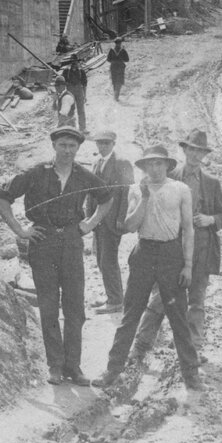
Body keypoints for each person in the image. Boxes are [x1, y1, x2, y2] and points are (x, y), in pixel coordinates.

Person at [0, 126, 116, 386]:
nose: (67, 151)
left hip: (72, 242)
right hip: (43, 241)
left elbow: (107, 199)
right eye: (62, 145)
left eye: (72, 146)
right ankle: (55, 366)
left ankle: (74, 367)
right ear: (54, 146)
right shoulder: (36, 173)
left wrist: (88, 225)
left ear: (78, 148)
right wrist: (20, 230)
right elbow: (2, 199)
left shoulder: (84, 175)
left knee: (75, 307)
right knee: (49, 306)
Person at [92, 144, 203, 393]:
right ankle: (112, 370)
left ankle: (191, 374)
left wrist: (187, 265)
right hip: (144, 253)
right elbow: (130, 226)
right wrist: (144, 197)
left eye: (159, 163)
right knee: (130, 315)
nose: (154, 168)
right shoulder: (136, 189)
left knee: (178, 318)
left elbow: (188, 229)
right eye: (149, 164)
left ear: (167, 165)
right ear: (143, 167)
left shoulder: (180, 189)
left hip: (171, 255)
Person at [131, 130, 222, 363]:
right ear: (184, 150)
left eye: (200, 151)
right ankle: (140, 347)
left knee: (196, 301)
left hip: (201, 250)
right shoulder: (168, 175)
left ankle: (192, 350)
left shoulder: (212, 183)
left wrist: (211, 219)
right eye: (192, 149)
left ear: (205, 155)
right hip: (171, 250)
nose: (195, 155)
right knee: (160, 300)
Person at [89, 130, 135, 313]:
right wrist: (89, 217)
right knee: (101, 260)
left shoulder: (122, 163)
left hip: (112, 220)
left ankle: (115, 301)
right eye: (99, 143)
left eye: (106, 143)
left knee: (108, 260)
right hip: (98, 220)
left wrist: (121, 218)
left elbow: (128, 192)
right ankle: (112, 296)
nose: (102, 146)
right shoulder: (96, 163)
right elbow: (91, 193)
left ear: (113, 144)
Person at [54, 54, 89, 132]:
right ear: (70, 63)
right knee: (68, 110)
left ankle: (83, 128)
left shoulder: (81, 71)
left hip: (79, 91)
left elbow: (84, 84)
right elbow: (62, 83)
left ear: (78, 62)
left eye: (75, 62)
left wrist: (85, 95)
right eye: (72, 62)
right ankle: (67, 127)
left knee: (81, 110)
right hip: (70, 91)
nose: (74, 64)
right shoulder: (66, 71)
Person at [106, 37, 131, 102]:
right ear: (120, 43)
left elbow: (108, 60)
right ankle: (116, 96)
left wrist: (114, 60)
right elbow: (127, 60)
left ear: (115, 43)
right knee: (119, 81)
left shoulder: (111, 50)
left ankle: (115, 96)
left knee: (114, 81)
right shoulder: (123, 50)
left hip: (113, 67)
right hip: (120, 67)